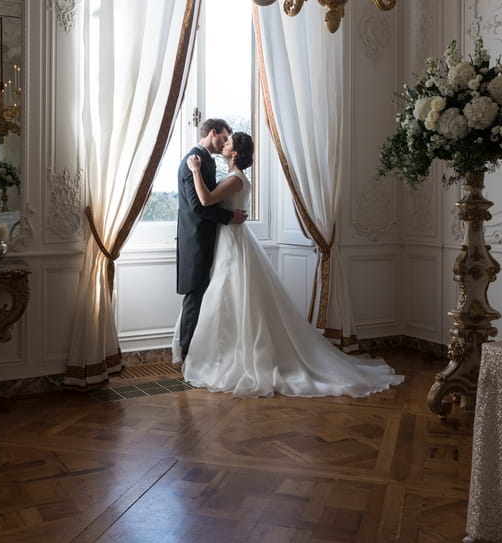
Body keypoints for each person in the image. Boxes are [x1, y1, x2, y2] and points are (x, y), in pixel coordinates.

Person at [172, 131, 404, 398]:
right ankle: (224, 353)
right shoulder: (233, 177)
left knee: (231, 295)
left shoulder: (236, 179)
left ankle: (236, 357)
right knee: (229, 297)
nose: (224, 144)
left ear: (235, 153)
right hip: (227, 239)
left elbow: (205, 200)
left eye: (228, 142)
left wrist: (195, 171)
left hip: (232, 242)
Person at [176, 118, 247, 360]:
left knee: (206, 297)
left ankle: (205, 353)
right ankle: (187, 355)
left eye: (229, 141)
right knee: (195, 297)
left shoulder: (206, 161)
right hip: (197, 240)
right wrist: (229, 216)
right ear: (213, 133)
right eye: (225, 137)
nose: (226, 142)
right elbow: (199, 206)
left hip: (211, 240)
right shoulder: (192, 162)